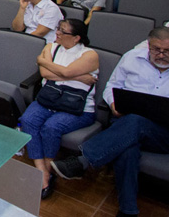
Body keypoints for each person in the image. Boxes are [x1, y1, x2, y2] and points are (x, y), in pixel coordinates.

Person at [51, 27, 169, 217]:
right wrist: (113, 103)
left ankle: (84, 161)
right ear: (148, 45)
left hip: (161, 133)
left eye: (167, 51)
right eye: (156, 50)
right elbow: (112, 86)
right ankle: (128, 211)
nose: (161, 55)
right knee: (127, 149)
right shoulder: (132, 57)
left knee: (136, 121)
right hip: (124, 124)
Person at [20, 18, 99, 200]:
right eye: (58, 29)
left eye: (63, 31)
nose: (58, 33)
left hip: (77, 107)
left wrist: (43, 61)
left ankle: (47, 171)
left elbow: (64, 72)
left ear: (77, 37)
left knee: (51, 127)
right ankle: (43, 171)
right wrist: (79, 77)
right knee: (27, 120)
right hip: (50, 99)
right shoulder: (51, 47)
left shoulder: (89, 55)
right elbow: (45, 73)